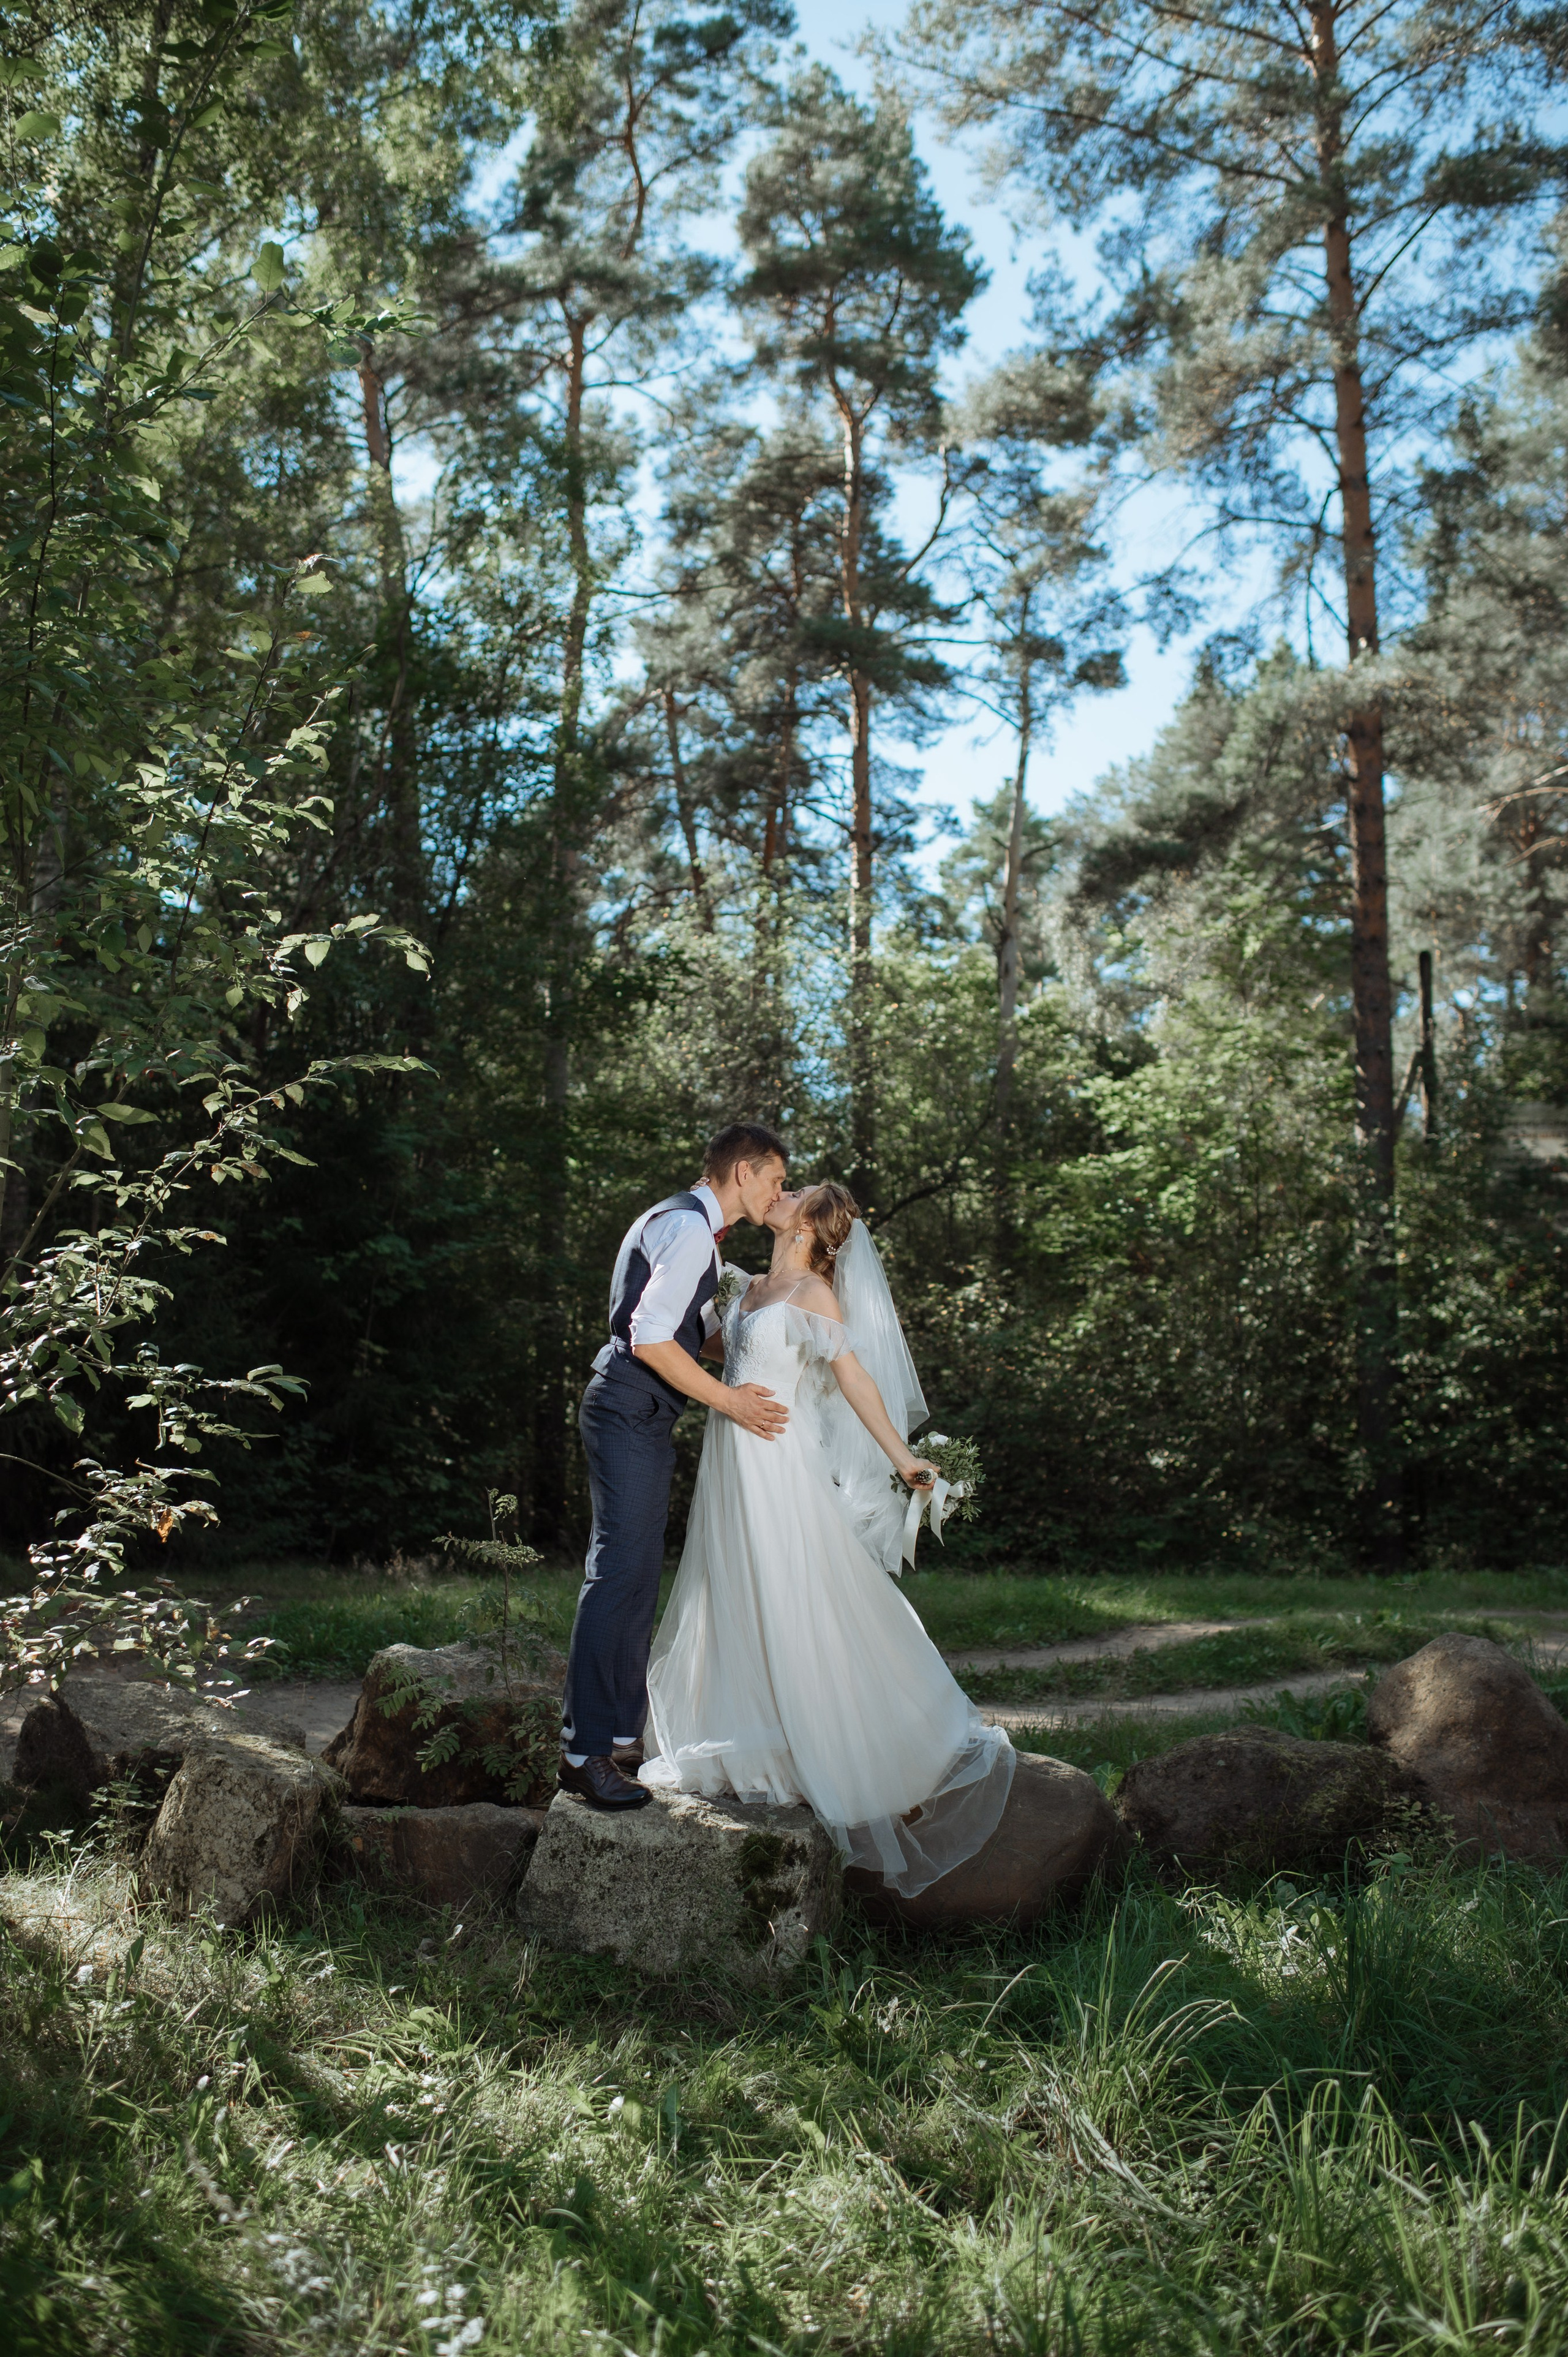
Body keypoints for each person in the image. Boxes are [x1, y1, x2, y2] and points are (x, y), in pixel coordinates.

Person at [639, 1182, 1016, 1896]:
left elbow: (855, 1380)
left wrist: (903, 1457)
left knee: (790, 1586)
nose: (781, 1194)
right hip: (730, 1454)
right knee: (732, 1585)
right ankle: (745, 1733)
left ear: (812, 1225)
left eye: (798, 1192)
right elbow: (712, 1351)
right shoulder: (747, 1284)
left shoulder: (815, 1294)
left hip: (778, 1461)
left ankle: (835, 1737)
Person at [559, 1122, 790, 1809]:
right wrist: (732, 1404)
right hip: (629, 1405)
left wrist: (782, 1361)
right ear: (744, 1171)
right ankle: (585, 1753)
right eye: (777, 1177)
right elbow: (650, 1336)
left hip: (639, 1412)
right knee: (620, 1573)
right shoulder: (690, 1229)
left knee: (632, 1575)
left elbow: (696, 1335)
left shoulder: (689, 1227)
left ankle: (611, 1741)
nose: (781, 1190)